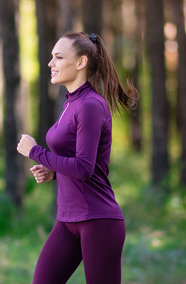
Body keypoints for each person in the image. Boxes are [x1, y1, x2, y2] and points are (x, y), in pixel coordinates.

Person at [17, 32, 138, 284]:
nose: (51, 63)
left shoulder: (91, 105)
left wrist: (35, 152)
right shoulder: (71, 102)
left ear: (81, 62)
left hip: (98, 221)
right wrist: (53, 171)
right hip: (67, 220)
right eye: (51, 57)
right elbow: (76, 160)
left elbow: (84, 167)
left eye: (58, 57)